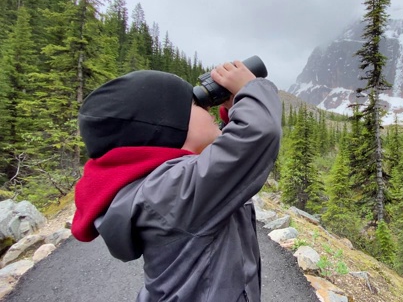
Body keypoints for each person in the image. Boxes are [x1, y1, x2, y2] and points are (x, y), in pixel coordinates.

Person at [71, 61, 282, 302]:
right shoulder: (169, 191)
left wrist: (236, 106)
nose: (208, 110)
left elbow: (222, 161)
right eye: (196, 104)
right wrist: (251, 88)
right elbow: (257, 134)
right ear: (169, 127)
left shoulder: (162, 187)